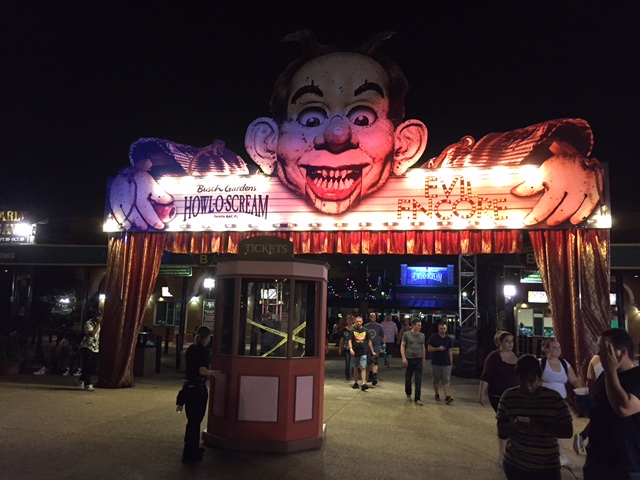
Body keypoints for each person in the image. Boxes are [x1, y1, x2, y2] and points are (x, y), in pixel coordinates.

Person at [245, 29, 603, 224]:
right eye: (311, 118)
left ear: (405, 142)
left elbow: (485, 153)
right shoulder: (226, 178)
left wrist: (564, 152)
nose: (337, 134)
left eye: (362, 117)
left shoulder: (440, 182)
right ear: (266, 142)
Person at [497, 354, 573, 480]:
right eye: (522, 380)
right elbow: (501, 429)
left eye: (531, 380)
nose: (527, 386)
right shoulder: (508, 397)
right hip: (515, 465)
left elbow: (568, 431)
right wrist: (514, 426)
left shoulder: (554, 399)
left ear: (539, 377)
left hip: (547, 467)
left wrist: (543, 428)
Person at [583, 328, 640, 480]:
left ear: (622, 352)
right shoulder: (605, 375)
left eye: (604, 349)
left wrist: (610, 371)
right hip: (596, 460)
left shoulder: (636, 376)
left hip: (626, 465)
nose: (598, 354)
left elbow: (624, 408)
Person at [478, 331, 519, 459]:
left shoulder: (516, 356)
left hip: (515, 395)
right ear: (500, 343)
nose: (510, 344)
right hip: (498, 395)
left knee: (514, 421)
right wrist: (481, 394)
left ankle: (512, 449)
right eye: (507, 341)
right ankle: (502, 454)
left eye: (512, 341)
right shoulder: (494, 357)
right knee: (504, 421)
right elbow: (486, 376)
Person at [182, 325, 217, 463]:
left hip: (189, 387)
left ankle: (189, 449)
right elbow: (202, 370)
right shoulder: (203, 351)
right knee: (196, 421)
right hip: (198, 389)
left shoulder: (191, 348)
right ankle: (192, 452)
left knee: (191, 421)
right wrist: (214, 373)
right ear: (206, 337)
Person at [573, 353, 603, 455]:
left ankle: (583, 437)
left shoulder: (594, 359)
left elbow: (590, 376)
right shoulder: (615, 360)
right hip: (607, 393)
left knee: (598, 419)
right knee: (600, 419)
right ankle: (583, 437)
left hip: (597, 392)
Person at [401, 318, 426, 405]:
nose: (420, 327)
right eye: (418, 325)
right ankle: (408, 393)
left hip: (418, 358)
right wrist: (404, 358)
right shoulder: (406, 334)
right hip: (409, 358)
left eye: (420, 325)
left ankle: (417, 398)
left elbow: (423, 347)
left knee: (418, 379)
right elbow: (402, 346)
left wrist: (423, 359)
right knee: (408, 377)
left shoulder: (422, 335)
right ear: (413, 325)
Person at [348, 315, 376, 391]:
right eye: (357, 321)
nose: (358, 323)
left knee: (363, 367)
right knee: (355, 368)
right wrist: (351, 349)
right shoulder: (352, 331)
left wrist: (372, 351)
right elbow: (350, 340)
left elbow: (369, 341)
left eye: (359, 321)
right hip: (355, 352)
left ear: (362, 322)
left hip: (364, 351)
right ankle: (356, 382)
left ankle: (364, 383)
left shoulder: (366, 331)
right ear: (355, 322)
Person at [427, 322, 454, 404]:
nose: (443, 330)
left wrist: (451, 362)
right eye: (441, 328)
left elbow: (450, 350)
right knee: (436, 380)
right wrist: (437, 349)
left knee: (446, 379)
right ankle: (437, 393)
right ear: (438, 329)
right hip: (436, 363)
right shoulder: (433, 337)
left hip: (446, 363)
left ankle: (447, 395)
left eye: (444, 328)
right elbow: (429, 348)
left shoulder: (449, 339)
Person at [77, 312, 102, 392]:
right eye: (98, 316)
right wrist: (98, 324)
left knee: (93, 366)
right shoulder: (89, 323)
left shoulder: (99, 324)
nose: (99, 318)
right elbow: (92, 334)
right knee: (87, 365)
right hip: (87, 346)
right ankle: (88, 384)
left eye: (100, 317)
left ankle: (81, 379)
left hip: (95, 347)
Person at [364, 312, 385, 385]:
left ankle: (374, 376)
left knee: (375, 360)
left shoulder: (379, 326)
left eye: (374, 317)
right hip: (367, 346)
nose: (373, 318)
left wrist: (384, 345)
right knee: (369, 361)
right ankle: (370, 375)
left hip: (376, 346)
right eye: (372, 317)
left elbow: (383, 336)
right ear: (369, 318)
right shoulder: (366, 326)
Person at [337, 315, 354, 382]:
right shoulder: (344, 330)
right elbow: (342, 339)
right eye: (348, 320)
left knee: (352, 363)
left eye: (350, 320)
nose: (349, 321)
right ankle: (347, 376)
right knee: (347, 363)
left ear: (352, 321)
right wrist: (340, 348)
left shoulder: (355, 329)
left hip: (354, 348)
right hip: (346, 348)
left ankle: (352, 374)